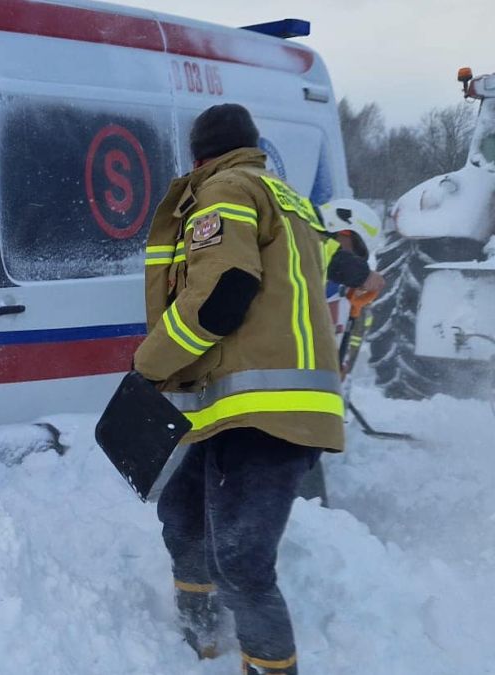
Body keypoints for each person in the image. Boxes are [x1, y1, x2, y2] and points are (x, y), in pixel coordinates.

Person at [133, 103, 346, 675]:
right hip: (232, 407)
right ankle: (199, 635)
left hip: (264, 408)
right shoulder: (285, 197)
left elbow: (225, 290)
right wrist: (364, 273)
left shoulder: (223, 188)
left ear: (198, 154)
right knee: (182, 518)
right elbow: (326, 256)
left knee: (241, 561)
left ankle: (268, 666)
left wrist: (148, 366)